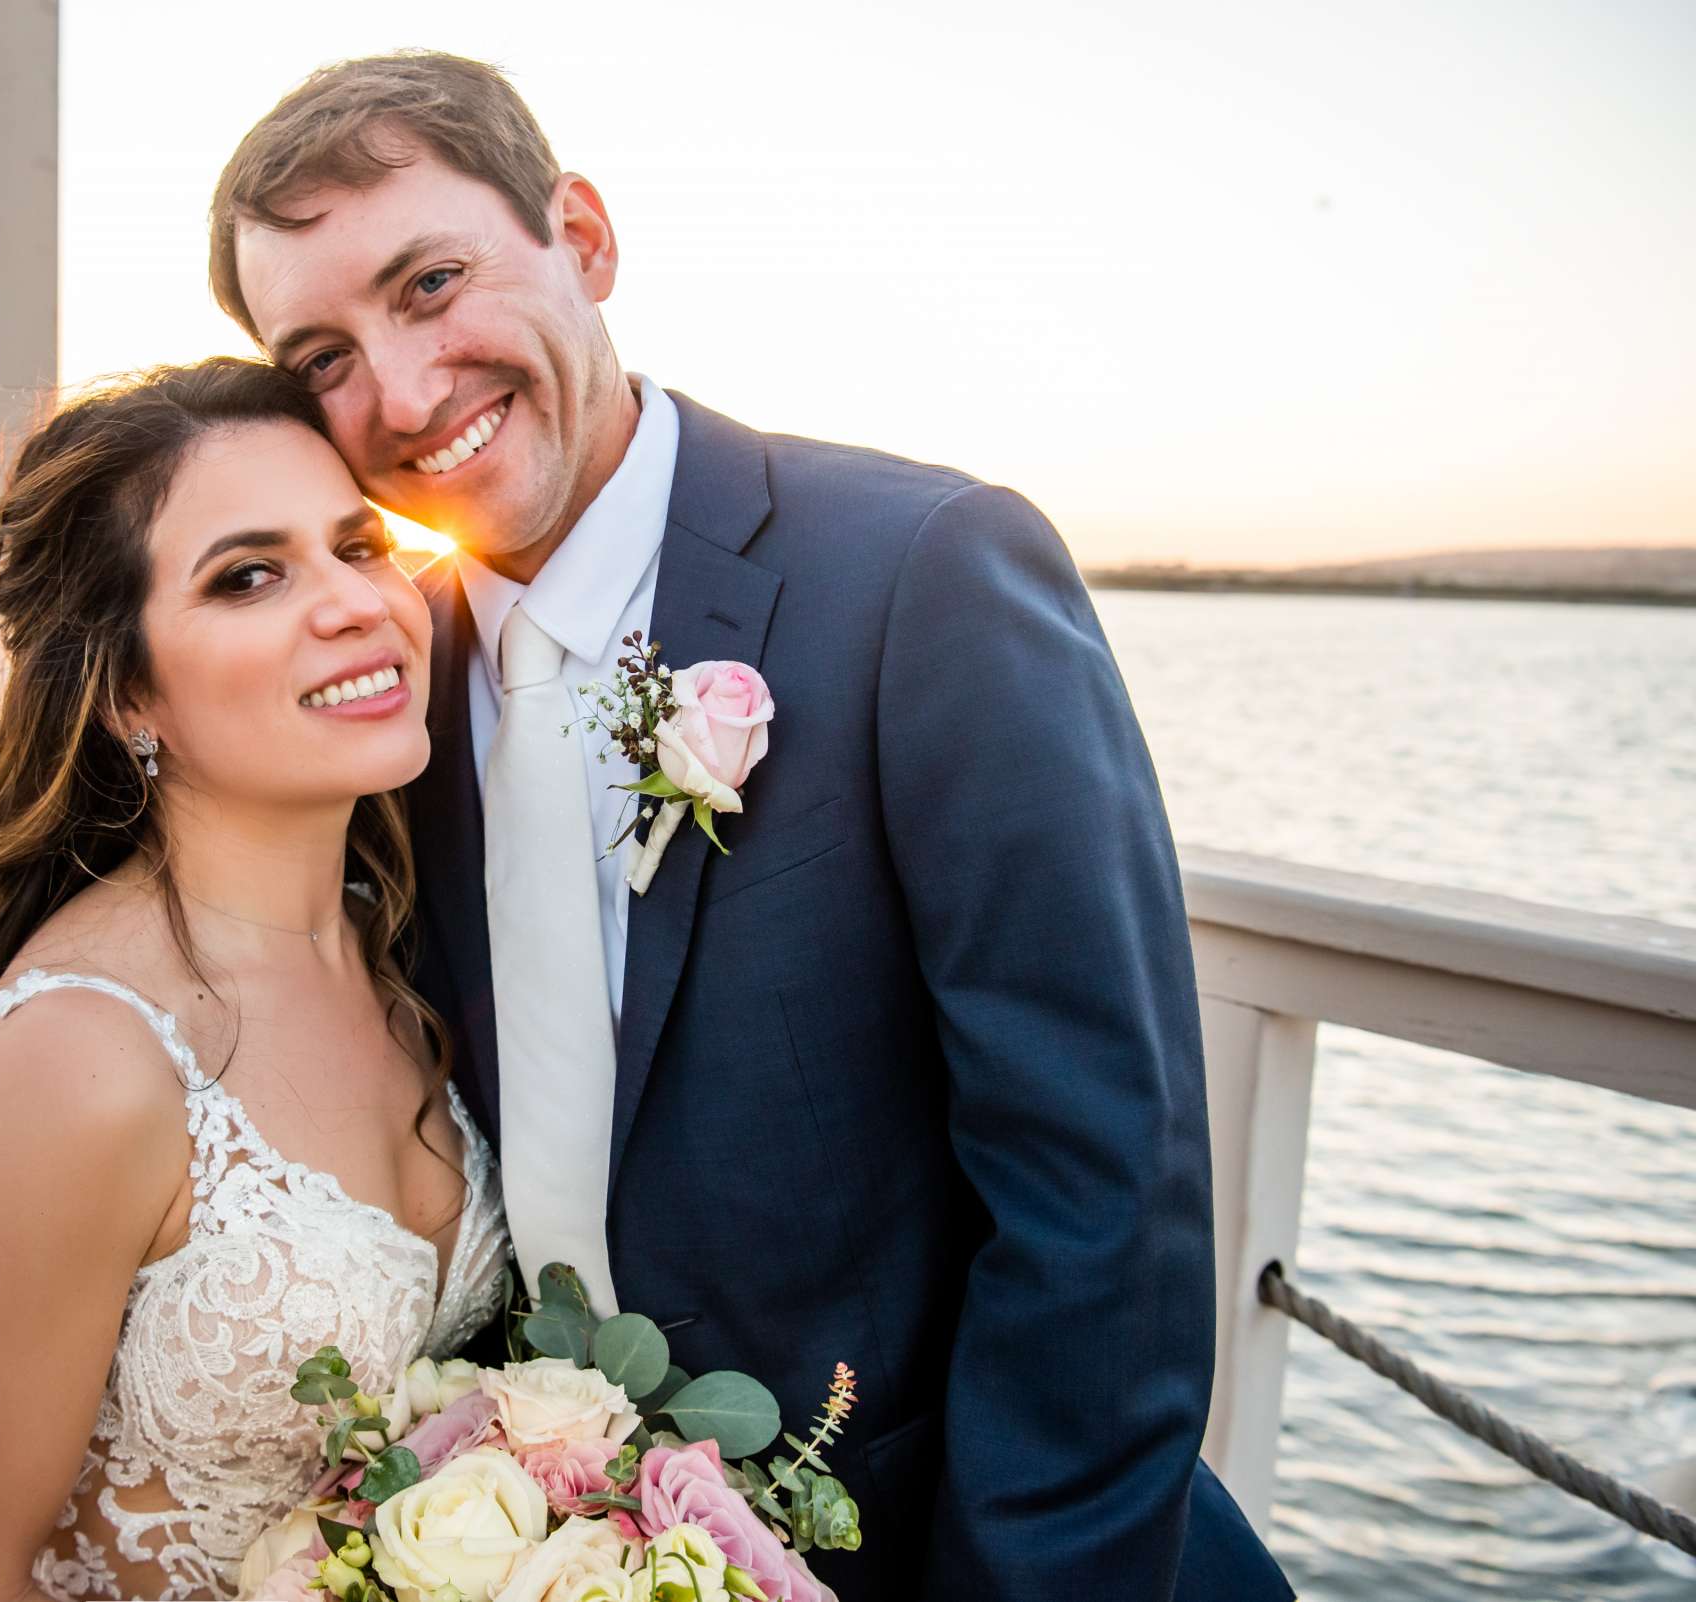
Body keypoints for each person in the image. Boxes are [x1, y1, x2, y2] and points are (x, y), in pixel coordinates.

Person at [208, 51, 1292, 1600]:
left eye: (432, 282)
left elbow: (1102, 1203)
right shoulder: (389, 694)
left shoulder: (922, 576)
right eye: (320, 355)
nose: (398, 391)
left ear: (580, 237)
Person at [0, 360, 511, 1601]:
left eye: (358, 546)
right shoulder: (76, 1063)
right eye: (249, 575)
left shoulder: (408, 953)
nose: (357, 604)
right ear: (128, 694)